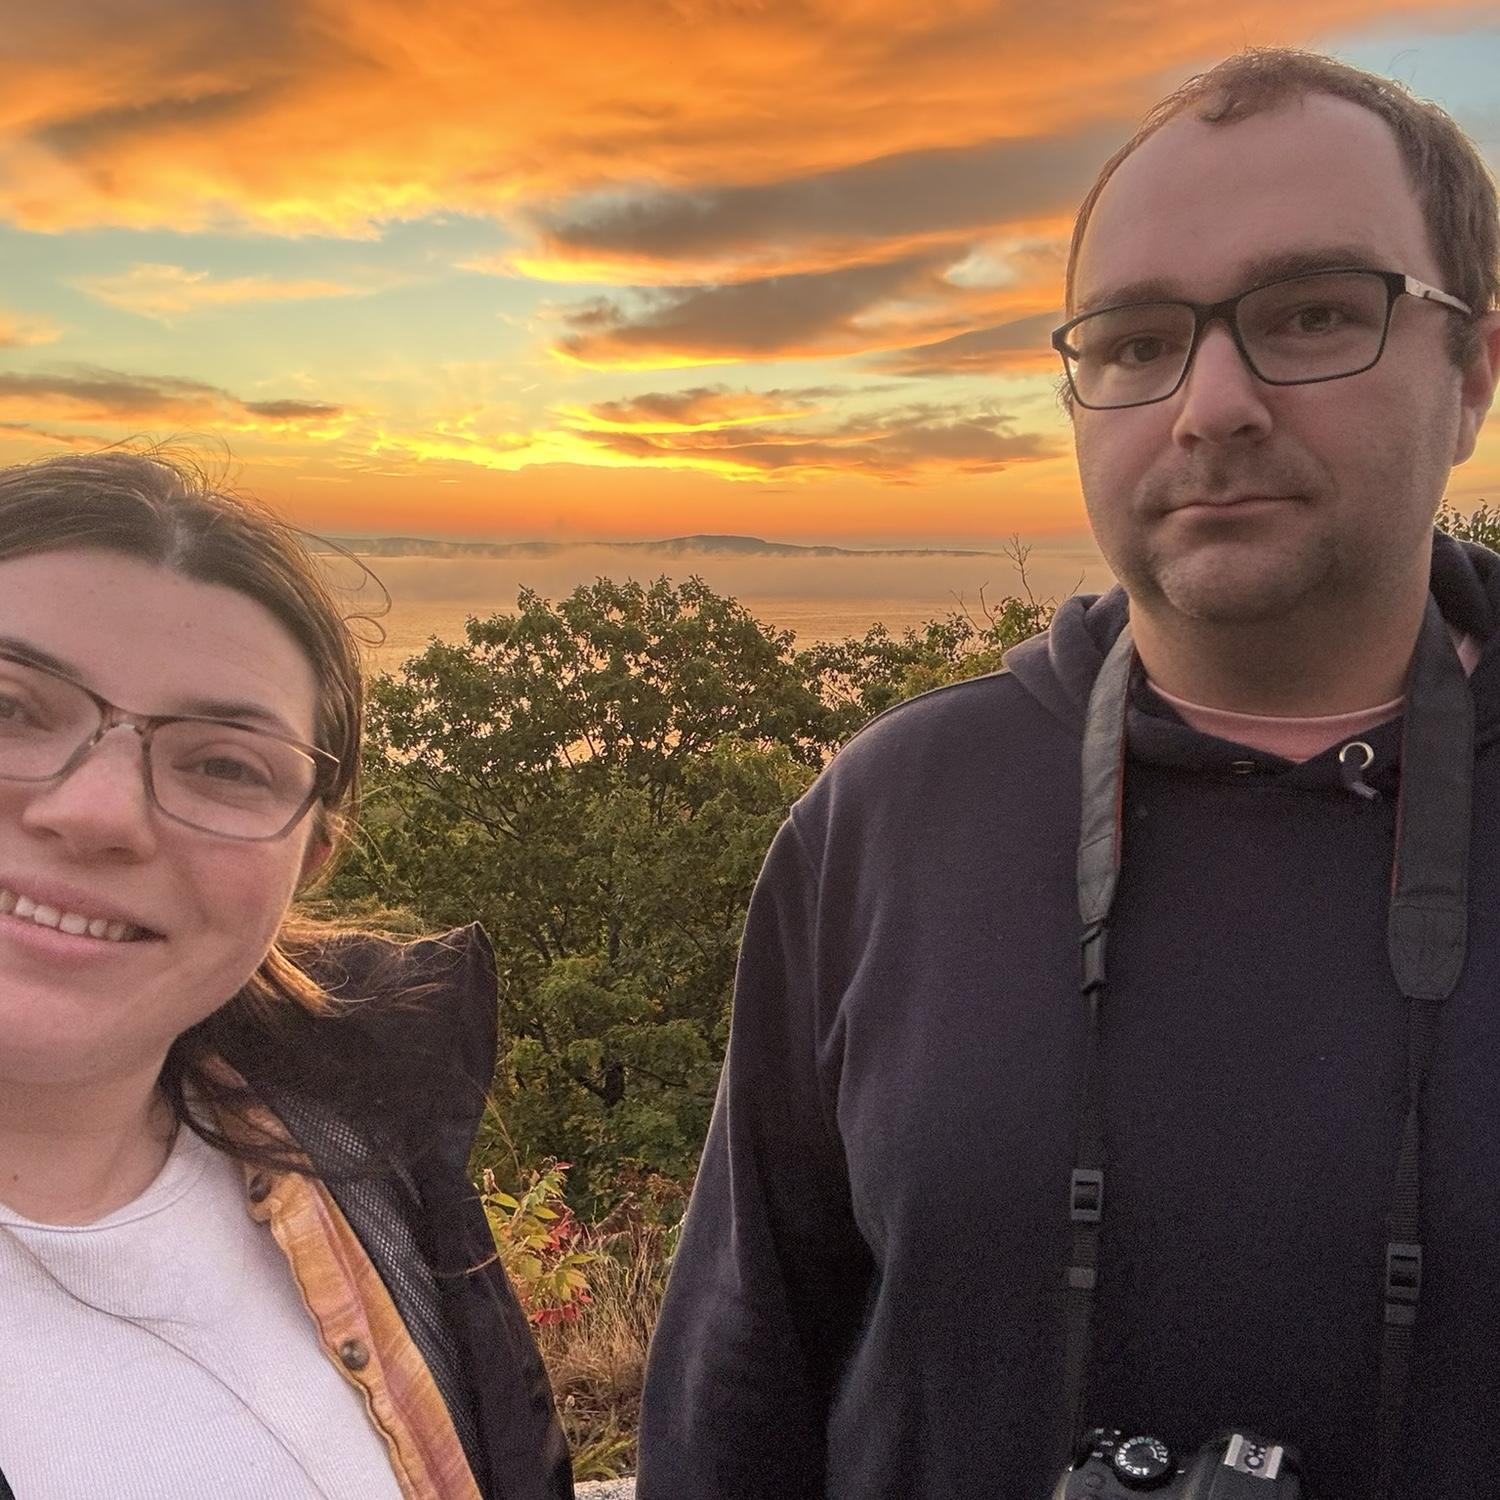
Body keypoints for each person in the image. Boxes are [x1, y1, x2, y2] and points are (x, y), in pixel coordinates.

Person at [637, 48, 1500, 1500]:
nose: (1210, 404)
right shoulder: (895, 815)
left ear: (1471, 371)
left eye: (1311, 314)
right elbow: (742, 1390)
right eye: (1137, 341)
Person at [0, 450, 573, 1499]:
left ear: (310, 860)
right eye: (8, 707)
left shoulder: (367, 1168)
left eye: (224, 764)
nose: (96, 812)